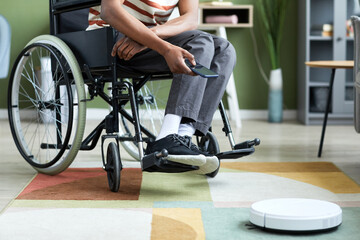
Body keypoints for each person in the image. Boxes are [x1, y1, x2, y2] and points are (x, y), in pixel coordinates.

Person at [88, 0, 236, 173]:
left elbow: (190, 19)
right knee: (200, 41)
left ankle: (183, 137)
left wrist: (149, 37)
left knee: (224, 50)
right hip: (111, 38)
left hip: (149, 40)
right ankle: (166, 137)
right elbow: (109, 11)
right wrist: (164, 49)